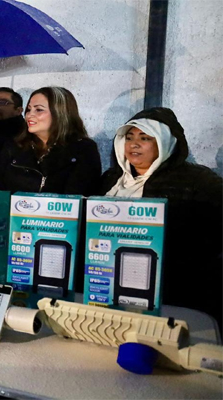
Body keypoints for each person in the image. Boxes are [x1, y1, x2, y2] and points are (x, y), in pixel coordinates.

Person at [99, 107, 222, 328]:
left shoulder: (198, 180)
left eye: (145, 138)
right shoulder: (111, 180)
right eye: (129, 137)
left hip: (176, 291)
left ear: (165, 142)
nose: (134, 144)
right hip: (111, 283)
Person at [0, 86, 101, 195]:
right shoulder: (13, 146)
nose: (29, 115)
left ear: (60, 113)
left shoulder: (83, 149)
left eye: (39, 110)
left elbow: (82, 195)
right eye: (29, 109)